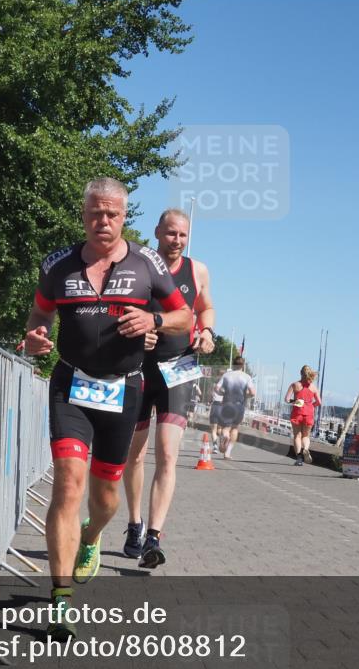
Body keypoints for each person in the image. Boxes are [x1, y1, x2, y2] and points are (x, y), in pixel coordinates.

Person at [23, 178, 192, 639]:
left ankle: (93, 537)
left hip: (123, 392)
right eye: (96, 213)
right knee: (68, 484)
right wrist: (37, 336)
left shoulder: (147, 263)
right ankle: (59, 598)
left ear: (124, 217)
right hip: (71, 384)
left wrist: (154, 318)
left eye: (113, 214)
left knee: (103, 500)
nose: (104, 222)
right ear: (84, 215)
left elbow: (186, 316)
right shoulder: (57, 266)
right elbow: (39, 316)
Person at [122, 209, 215, 568]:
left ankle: (154, 537)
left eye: (183, 235)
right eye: (171, 233)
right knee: (135, 454)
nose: (176, 240)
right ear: (158, 232)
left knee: (168, 454)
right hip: (139, 369)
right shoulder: (138, 265)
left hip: (179, 370)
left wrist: (207, 332)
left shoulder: (198, 270)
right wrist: (132, 333)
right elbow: (119, 310)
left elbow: (206, 308)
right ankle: (134, 523)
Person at [213, 357, 255, 460]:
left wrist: (222, 393)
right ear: (243, 365)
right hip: (239, 406)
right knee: (235, 428)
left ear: (233, 364)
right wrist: (246, 396)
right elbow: (253, 393)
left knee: (225, 428)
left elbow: (217, 388)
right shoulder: (247, 377)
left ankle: (225, 436)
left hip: (227, 404)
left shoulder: (226, 375)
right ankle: (227, 453)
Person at [285, 365, 322, 466]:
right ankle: (305, 449)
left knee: (297, 435)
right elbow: (319, 402)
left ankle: (299, 458)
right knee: (306, 436)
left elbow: (287, 399)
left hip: (297, 412)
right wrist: (311, 406)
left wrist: (295, 401)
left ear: (300, 373)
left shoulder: (294, 385)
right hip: (309, 413)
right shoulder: (313, 387)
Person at [209, 385, 225, 453]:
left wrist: (209, 401)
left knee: (214, 429)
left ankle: (215, 446)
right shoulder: (226, 387)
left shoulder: (214, 386)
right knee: (220, 428)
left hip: (215, 407)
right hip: (223, 408)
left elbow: (210, 398)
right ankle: (222, 443)